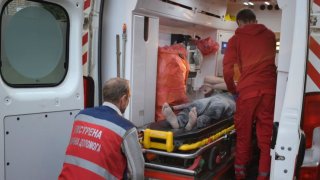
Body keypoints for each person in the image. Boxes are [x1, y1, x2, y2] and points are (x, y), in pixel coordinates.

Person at [223, 9, 277, 180]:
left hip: (247, 93)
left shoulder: (235, 39)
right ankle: (263, 175)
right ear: (255, 20)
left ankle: (240, 175)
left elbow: (227, 70)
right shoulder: (270, 35)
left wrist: (232, 89)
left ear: (238, 23)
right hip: (269, 90)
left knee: (244, 135)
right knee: (266, 137)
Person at [59, 78, 144, 180]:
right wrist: (135, 153)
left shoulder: (81, 116)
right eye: (128, 98)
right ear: (123, 99)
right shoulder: (126, 129)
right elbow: (137, 175)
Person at [162, 92, 235, 131]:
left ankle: (194, 125)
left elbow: (235, 86)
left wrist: (216, 83)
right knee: (198, 104)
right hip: (221, 94)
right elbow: (208, 79)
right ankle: (178, 122)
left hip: (234, 100)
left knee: (217, 107)